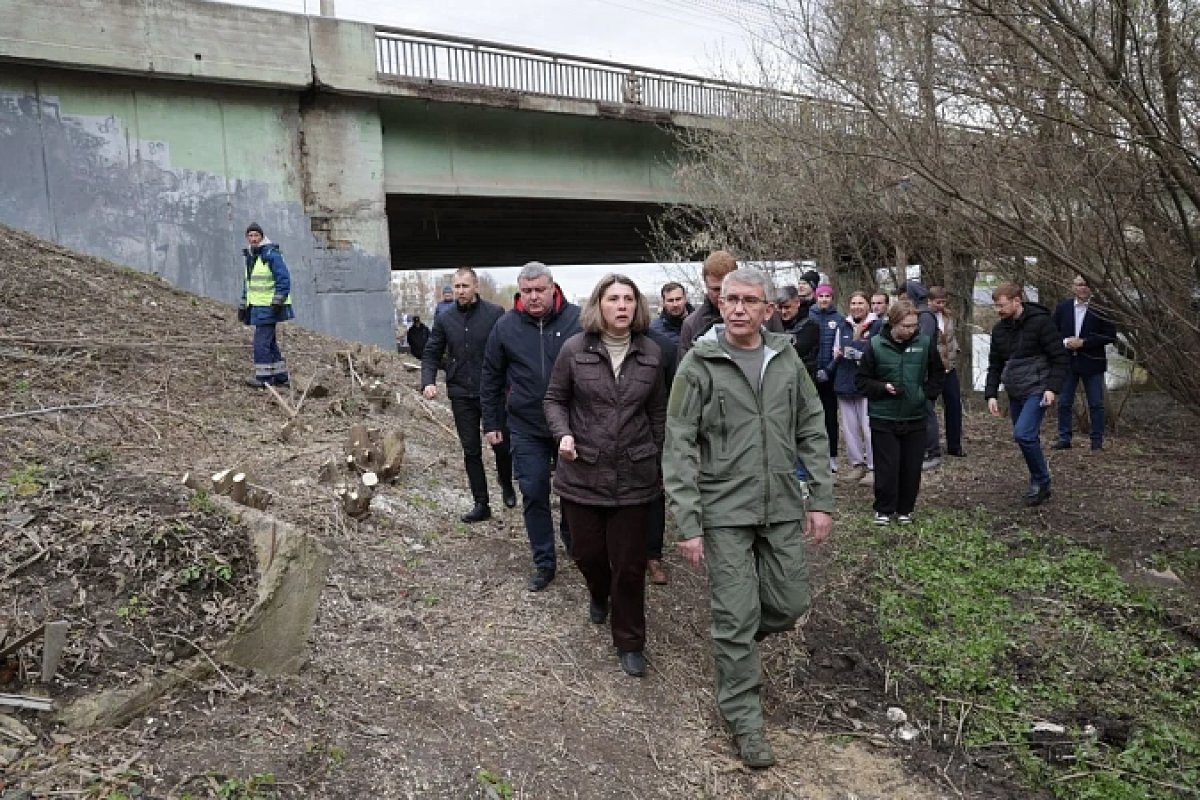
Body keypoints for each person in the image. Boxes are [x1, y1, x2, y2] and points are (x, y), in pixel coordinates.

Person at [663, 267, 834, 769]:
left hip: (780, 503)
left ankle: (734, 645)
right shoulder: (699, 363)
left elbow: (812, 426)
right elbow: (678, 444)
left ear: (768, 309)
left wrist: (820, 499)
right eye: (731, 300)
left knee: (789, 603)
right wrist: (688, 523)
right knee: (735, 617)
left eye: (749, 301)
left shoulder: (785, 359)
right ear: (720, 305)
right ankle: (745, 723)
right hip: (723, 510)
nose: (738, 308)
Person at [544, 274, 666, 677]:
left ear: (637, 306)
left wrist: (659, 458)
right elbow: (554, 399)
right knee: (587, 554)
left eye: (628, 299)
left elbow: (658, 412)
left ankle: (630, 642)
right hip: (583, 470)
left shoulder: (651, 353)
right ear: (599, 305)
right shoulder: (574, 350)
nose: (622, 306)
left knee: (629, 565)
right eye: (613, 298)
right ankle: (599, 591)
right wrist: (563, 434)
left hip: (634, 474)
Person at [481, 262, 582, 591]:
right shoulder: (505, 326)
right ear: (519, 292)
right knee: (534, 490)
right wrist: (491, 421)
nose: (534, 297)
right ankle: (544, 562)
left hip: (571, 423)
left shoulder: (578, 320)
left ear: (553, 288)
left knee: (573, 492)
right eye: (527, 291)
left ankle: (574, 542)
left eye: (540, 290)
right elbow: (491, 376)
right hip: (525, 424)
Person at [421, 268, 516, 524]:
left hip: (492, 392)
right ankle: (481, 503)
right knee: (471, 449)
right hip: (461, 392)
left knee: (501, 445)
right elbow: (431, 352)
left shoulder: (494, 314)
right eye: (457, 286)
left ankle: (506, 482)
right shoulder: (445, 319)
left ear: (476, 287)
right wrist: (428, 381)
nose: (460, 291)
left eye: (465, 286)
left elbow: (508, 351)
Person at [855, 299, 945, 525]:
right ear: (894, 323)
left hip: (915, 415)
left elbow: (938, 373)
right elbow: (862, 381)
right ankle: (884, 509)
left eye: (914, 325)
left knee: (911, 466)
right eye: (906, 326)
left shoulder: (924, 343)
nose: (911, 330)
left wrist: (926, 396)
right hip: (883, 415)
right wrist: (882, 388)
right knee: (887, 466)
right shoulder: (875, 345)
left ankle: (905, 509)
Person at [984, 283, 1069, 506]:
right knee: (1026, 437)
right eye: (995, 306)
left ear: (1017, 301)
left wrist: (1052, 388)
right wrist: (991, 394)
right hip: (1015, 390)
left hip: (1038, 388)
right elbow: (995, 364)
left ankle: (1042, 480)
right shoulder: (999, 330)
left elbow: (1060, 358)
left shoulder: (1041, 323)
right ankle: (1038, 480)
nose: (998, 310)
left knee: (1023, 434)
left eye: (1002, 305)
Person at [1052, 275, 1117, 451]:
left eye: (1086, 285)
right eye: (1079, 285)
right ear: (1072, 287)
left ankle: (1096, 441)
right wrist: (1066, 342)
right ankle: (1064, 439)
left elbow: (1110, 335)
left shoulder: (1101, 308)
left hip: (1092, 362)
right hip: (1067, 362)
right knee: (1064, 402)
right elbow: (1051, 332)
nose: (1083, 288)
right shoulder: (1063, 308)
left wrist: (1084, 343)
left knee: (1096, 403)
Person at [679, 251, 782, 354]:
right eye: (716, 289)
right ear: (706, 285)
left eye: (726, 288)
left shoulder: (765, 314)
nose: (722, 294)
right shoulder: (692, 325)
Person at [832, 291, 881, 486]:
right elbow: (836, 349)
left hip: (867, 383)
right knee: (849, 428)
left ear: (867, 305)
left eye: (860, 303)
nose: (856, 307)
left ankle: (873, 467)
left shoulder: (877, 326)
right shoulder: (842, 325)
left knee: (868, 428)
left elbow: (879, 353)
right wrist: (837, 354)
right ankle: (857, 464)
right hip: (845, 381)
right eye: (853, 303)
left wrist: (859, 354)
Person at [238, 223, 293, 388]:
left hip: (269, 307)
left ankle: (264, 379)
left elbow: (284, 279)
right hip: (257, 306)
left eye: (256, 235)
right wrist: (243, 304)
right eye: (250, 235)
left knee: (260, 343)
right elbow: (249, 284)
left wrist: (278, 300)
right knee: (269, 342)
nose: (253, 239)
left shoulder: (271, 255)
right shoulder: (252, 256)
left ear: (262, 237)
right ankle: (280, 377)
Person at [900, 280, 944, 470]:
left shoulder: (925, 316)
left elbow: (921, 345)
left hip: (923, 374)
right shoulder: (920, 314)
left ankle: (933, 452)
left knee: (927, 413)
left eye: (904, 296)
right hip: (916, 373)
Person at [809, 284, 845, 473]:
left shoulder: (839, 319)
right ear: (816, 297)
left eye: (827, 296)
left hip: (830, 376)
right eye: (821, 296)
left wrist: (828, 370)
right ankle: (813, 456)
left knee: (830, 417)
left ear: (832, 298)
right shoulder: (808, 316)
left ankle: (832, 456)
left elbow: (840, 349)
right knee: (810, 418)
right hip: (810, 376)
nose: (824, 299)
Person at [926, 286, 966, 457]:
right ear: (929, 301)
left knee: (954, 404)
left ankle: (954, 445)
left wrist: (956, 349)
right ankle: (929, 445)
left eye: (943, 302)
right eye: (938, 302)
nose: (941, 305)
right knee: (929, 407)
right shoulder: (924, 318)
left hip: (949, 368)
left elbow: (951, 338)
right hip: (933, 370)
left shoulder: (948, 316)